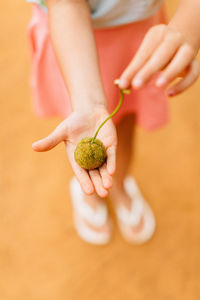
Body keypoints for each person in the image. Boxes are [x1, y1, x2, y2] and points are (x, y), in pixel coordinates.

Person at [27, 0, 200, 245]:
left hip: (139, 35)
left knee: (125, 121)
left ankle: (119, 186)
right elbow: (65, 4)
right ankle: (90, 195)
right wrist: (88, 102)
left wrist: (189, 28)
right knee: (78, 119)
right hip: (69, 41)